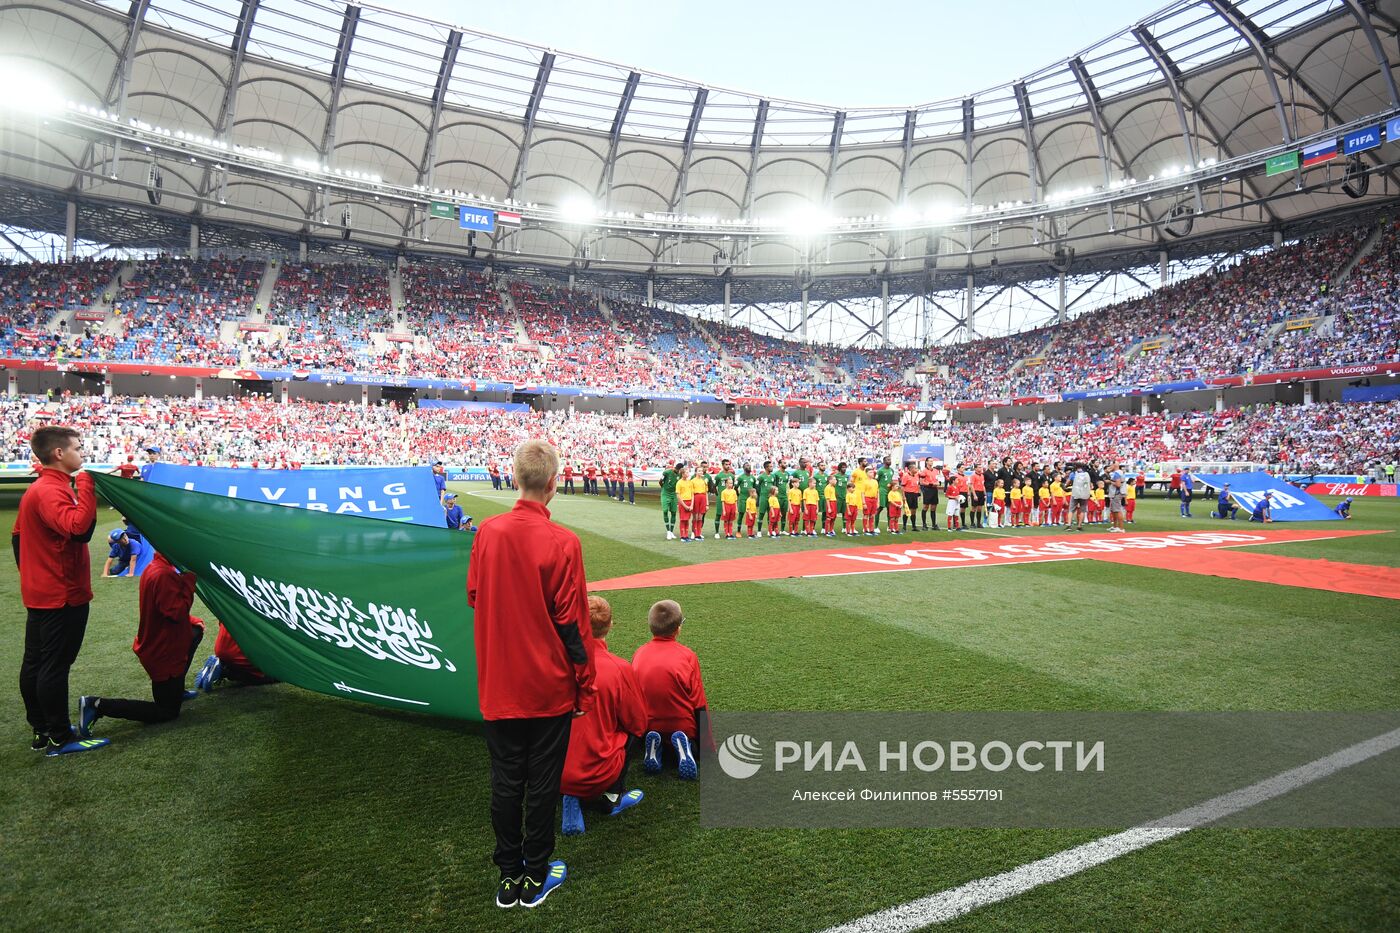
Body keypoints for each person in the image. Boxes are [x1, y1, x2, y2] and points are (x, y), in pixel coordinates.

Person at [467, 439, 596, 909]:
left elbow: (476, 596)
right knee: (542, 783)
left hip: (499, 684)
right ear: (554, 485)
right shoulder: (563, 542)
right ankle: (536, 874)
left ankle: (509, 876)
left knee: (505, 780)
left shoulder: (488, 533)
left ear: (515, 477)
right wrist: (585, 682)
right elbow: (573, 624)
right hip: (548, 687)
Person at [15, 425, 109, 757]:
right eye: (78, 448)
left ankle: (42, 729)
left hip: (44, 590)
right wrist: (85, 483)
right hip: (61, 595)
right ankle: (59, 735)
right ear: (59, 453)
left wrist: (32, 575)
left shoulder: (38, 489)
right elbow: (78, 529)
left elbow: (17, 538)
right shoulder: (51, 490)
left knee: (36, 663)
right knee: (53, 665)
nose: (82, 454)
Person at [78, 553, 204, 735]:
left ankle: (177, 690)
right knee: (168, 711)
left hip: (159, 645)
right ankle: (97, 705)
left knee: (195, 632)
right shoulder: (163, 574)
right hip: (163, 653)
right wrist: (189, 580)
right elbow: (176, 612)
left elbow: (162, 608)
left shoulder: (157, 567)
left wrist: (189, 620)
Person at [559, 596, 646, 837]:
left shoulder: (552, 662)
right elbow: (637, 723)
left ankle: (570, 794)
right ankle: (612, 796)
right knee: (633, 732)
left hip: (548, 770)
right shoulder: (618, 667)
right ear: (610, 625)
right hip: (596, 771)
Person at [632, 599, 707, 781]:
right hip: (682, 726)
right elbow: (699, 703)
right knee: (693, 743)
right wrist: (706, 746)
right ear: (678, 628)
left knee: (651, 731)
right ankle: (686, 747)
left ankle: (654, 746)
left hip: (648, 724)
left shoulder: (639, 654)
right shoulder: (687, 656)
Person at [196, 622, 279, 690]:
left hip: (222, 647)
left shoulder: (229, 605)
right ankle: (225, 671)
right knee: (275, 676)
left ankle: (223, 665)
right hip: (241, 653)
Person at [660, 461, 681, 539]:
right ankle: (668, 531)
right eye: (678, 469)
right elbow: (660, 481)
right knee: (665, 511)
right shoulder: (666, 472)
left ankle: (671, 531)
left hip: (674, 494)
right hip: (665, 494)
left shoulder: (680, 475)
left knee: (674, 512)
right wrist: (664, 488)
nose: (678, 471)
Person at [899, 462, 920, 532]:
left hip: (915, 495)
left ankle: (914, 526)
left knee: (914, 511)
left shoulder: (917, 475)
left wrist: (918, 495)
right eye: (915, 468)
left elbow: (918, 485)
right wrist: (903, 496)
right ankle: (904, 526)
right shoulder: (906, 476)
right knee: (906, 511)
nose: (917, 469)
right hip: (908, 494)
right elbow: (902, 486)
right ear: (911, 469)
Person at [676, 465, 695, 543]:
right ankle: (682, 536)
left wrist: (691, 505)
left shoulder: (690, 482)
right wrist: (685, 505)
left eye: (688, 472)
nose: (688, 474)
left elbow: (692, 494)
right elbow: (678, 496)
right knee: (683, 520)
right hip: (683, 503)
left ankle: (686, 535)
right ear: (682, 474)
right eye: (686, 472)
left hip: (689, 502)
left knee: (687, 520)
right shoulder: (679, 483)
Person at [860, 470, 880, 536]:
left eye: (873, 472)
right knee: (866, 514)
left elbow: (877, 492)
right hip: (867, 498)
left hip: (874, 499)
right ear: (866, 474)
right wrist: (863, 502)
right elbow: (862, 493)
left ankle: (871, 529)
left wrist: (878, 501)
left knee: (872, 514)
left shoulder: (875, 481)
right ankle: (865, 529)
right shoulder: (864, 482)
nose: (872, 473)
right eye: (870, 472)